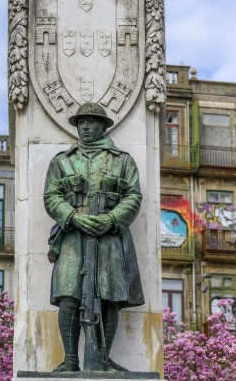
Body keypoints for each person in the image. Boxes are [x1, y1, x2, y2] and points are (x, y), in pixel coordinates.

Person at [44, 102, 144, 372]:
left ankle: (102, 357)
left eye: (91, 122)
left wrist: (112, 219)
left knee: (111, 298)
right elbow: (51, 197)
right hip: (72, 237)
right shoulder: (62, 161)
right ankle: (70, 360)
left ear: (102, 126)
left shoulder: (122, 161)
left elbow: (133, 197)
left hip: (110, 237)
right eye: (81, 123)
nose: (85, 127)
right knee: (67, 296)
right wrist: (73, 217)